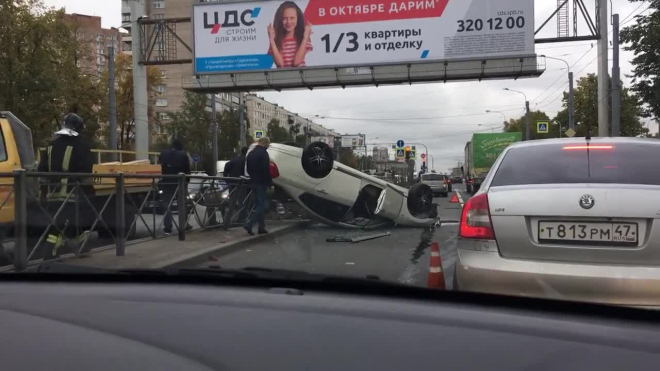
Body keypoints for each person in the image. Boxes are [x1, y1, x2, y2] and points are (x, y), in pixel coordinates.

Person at [38, 113, 95, 258]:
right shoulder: (81, 145)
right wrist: (89, 192)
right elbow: (86, 171)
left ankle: (81, 245)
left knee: (72, 220)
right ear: (78, 129)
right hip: (71, 191)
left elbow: (42, 170)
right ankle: (49, 252)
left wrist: (43, 193)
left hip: (53, 191)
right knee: (62, 223)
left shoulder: (51, 145)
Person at [159, 139, 192, 235]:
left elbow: (160, 167)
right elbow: (187, 170)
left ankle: (167, 228)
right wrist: (186, 183)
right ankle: (184, 225)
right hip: (180, 183)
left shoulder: (163, 153)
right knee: (182, 205)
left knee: (167, 205)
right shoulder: (183, 154)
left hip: (166, 183)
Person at [267, 1, 313, 68]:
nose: (288, 22)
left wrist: (305, 37)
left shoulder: (303, 39)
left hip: (301, 76)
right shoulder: (276, 40)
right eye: (285, 18)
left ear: (298, 19)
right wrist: (271, 39)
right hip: (284, 77)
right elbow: (280, 64)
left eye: (292, 18)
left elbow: (296, 63)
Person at [244, 137, 272, 235]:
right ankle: (249, 223)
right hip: (261, 182)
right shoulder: (264, 153)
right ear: (264, 143)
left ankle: (261, 228)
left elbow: (248, 168)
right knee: (262, 205)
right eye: (268, 144)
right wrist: (269, 182)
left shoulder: (251, 153)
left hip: (253, 182)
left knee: (257, 204)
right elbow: (266, 169)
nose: (268, 146)